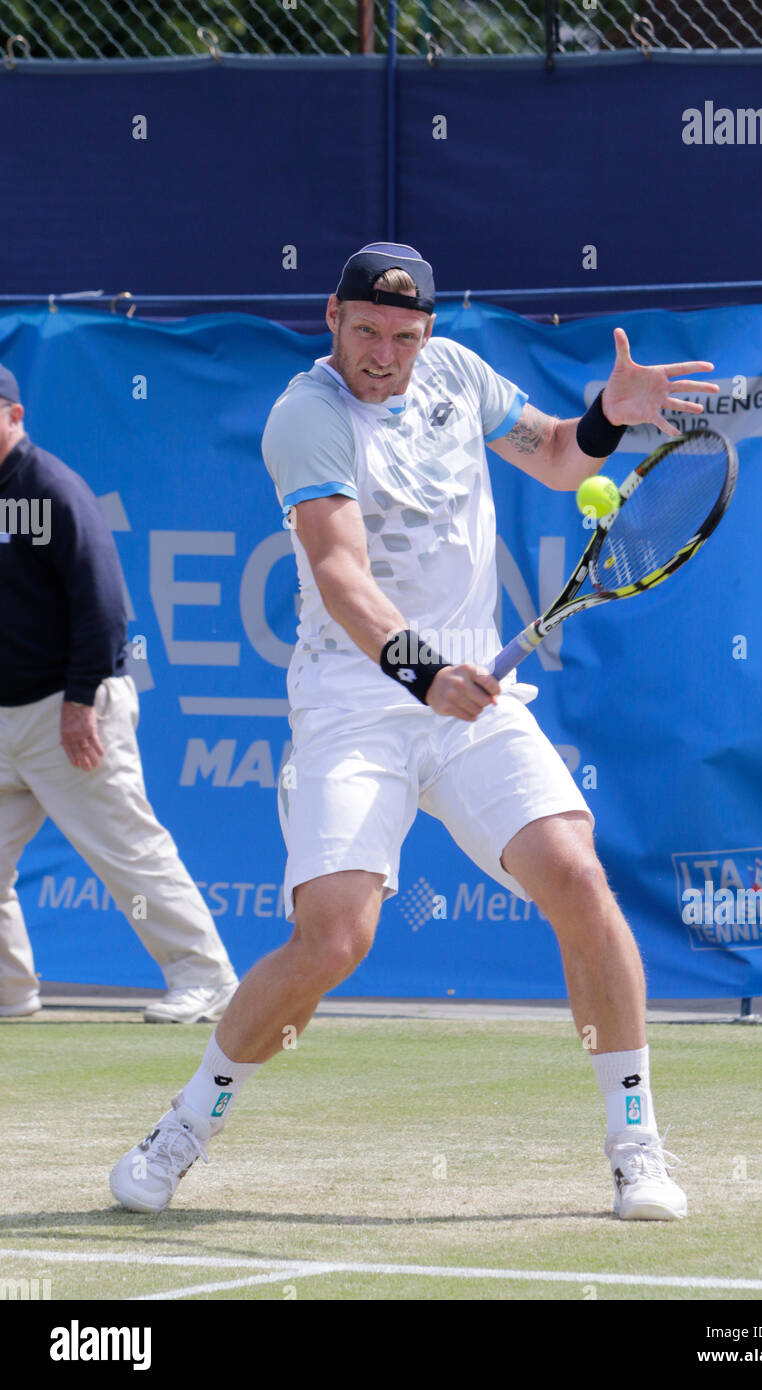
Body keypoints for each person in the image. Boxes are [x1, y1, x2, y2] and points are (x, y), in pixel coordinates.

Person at [109, 243, 719, 1217]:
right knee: (334, 936)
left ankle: (636, 1143)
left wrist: (610, 415)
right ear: (332, 317)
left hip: (470, 701)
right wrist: (426, 674)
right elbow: (342, 575)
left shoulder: (459, 375)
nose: (382, 355)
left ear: (426, 333)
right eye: (365, 332)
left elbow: (560, 457)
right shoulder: (305, 416)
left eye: (401, 336)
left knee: (578, 876)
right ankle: (184, 1122)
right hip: (358, 703)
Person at [0, 364, 238, 1023]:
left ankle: (207, 979)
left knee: (129, 850)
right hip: (6, 715)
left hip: (69, 710)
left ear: (15, 418)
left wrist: (80, 703)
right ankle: (9, 992)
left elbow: (104, 605)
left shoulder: (51, 489)